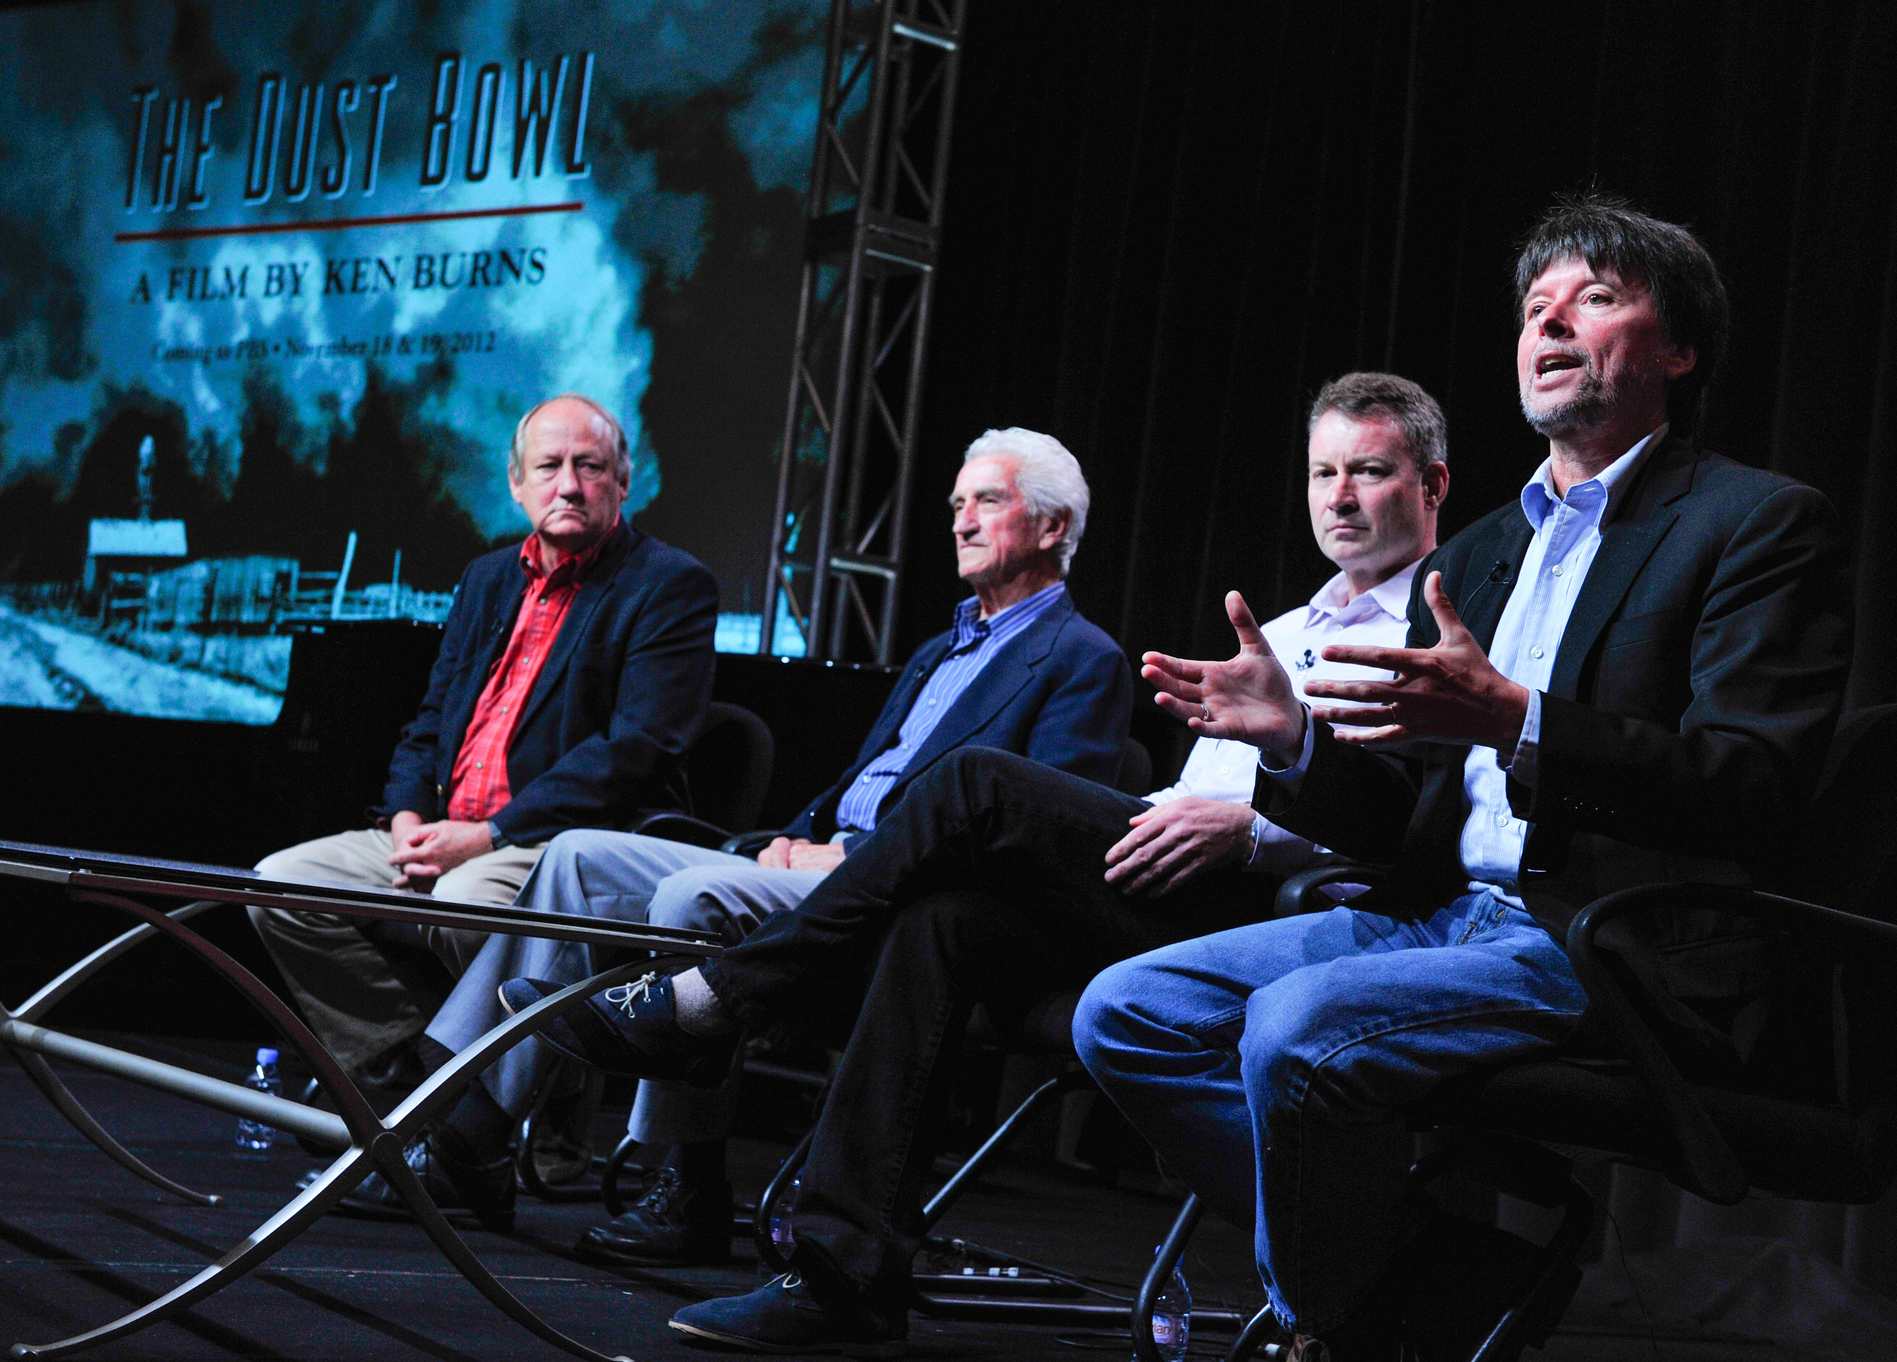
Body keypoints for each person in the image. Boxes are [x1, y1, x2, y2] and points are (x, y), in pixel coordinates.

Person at [508, 372, 1456, 1352]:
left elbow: (1423, 825)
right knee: (940, 920)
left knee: (975, 785)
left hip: (1272, 917)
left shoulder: (1445, 630)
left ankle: (714, 999)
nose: (1338, 497)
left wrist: (1252, 830)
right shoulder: (1283, 634)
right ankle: (841, 1276)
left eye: (1368, 473)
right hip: (1157, 878)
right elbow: (1177, 802)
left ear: (1429, 485)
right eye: (1322, 473)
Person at [1077, 194, 1851, 1361]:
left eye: (1593, 298)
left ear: (1677, 350)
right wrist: (1292, 741)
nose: (1548, 323)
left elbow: (1752, 784)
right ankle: (1412, 1289)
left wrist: (1523, 719)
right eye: (1532, 306)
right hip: (1437, 912)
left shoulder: (1752, 524)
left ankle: (1327, 1333)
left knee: (1291, 1025)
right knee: (1128, 1012)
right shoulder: (1485, 547)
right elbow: (1403, 818)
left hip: (1604, 936)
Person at [403, 427, 1133, 1239]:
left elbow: (1037, 837)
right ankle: (478, 1124)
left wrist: (854, 854)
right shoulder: (940, 648)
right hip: (805, 860)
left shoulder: (1081, 659)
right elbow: (865, 783)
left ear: (1053, 526)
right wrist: (787, 838)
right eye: (956, 504)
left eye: (986, 502)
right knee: (575, 855)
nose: (960, 522)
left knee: (692, 895)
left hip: (890, 892)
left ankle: (686, 1184)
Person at [247, 394, 718, 1151]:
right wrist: (405, 817)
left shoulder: (669, 585)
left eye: (589, 467)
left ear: (623, 482)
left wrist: (487, 835)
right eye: (549, 467)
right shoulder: (488, 578)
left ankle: (492, 1114)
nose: (568, 484)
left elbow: (637, 749)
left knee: (466, 899)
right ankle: (405, 1070)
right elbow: (430, 720)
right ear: (517, 486)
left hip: (554, 842)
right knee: (279, 883)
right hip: (442, 826)